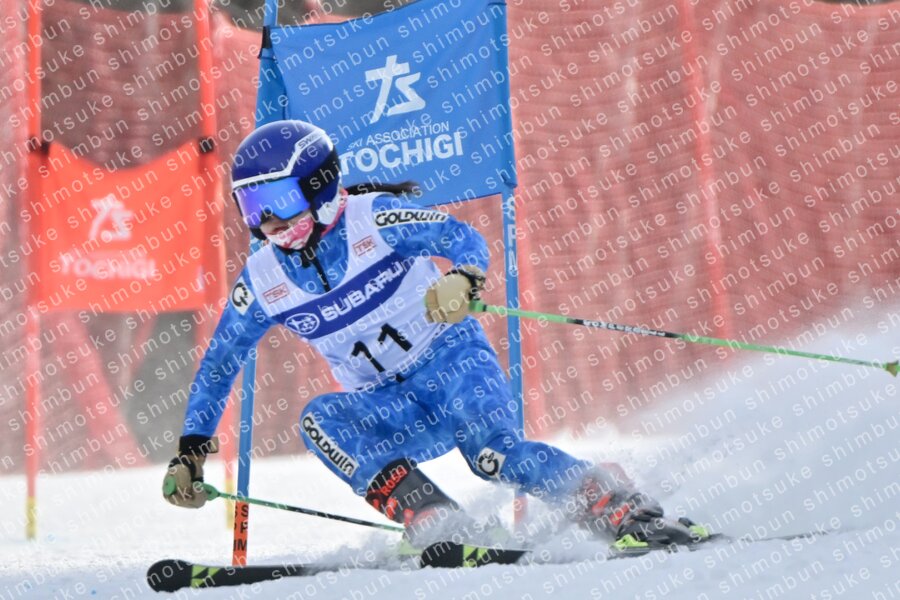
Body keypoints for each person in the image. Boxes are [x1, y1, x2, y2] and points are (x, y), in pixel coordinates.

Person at [162, 120, 706, 552]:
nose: (269, 222)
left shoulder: (372, 220)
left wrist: (462, 277)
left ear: (320, 186)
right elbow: (220, 362)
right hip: (387, 404)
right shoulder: (264, 280)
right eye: (252, 207)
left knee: (491, 457)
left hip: (451, 364)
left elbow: (459, 237)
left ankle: (613, 501)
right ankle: (435, 518)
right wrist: (191, 449)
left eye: (279, 201)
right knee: (319, 421)